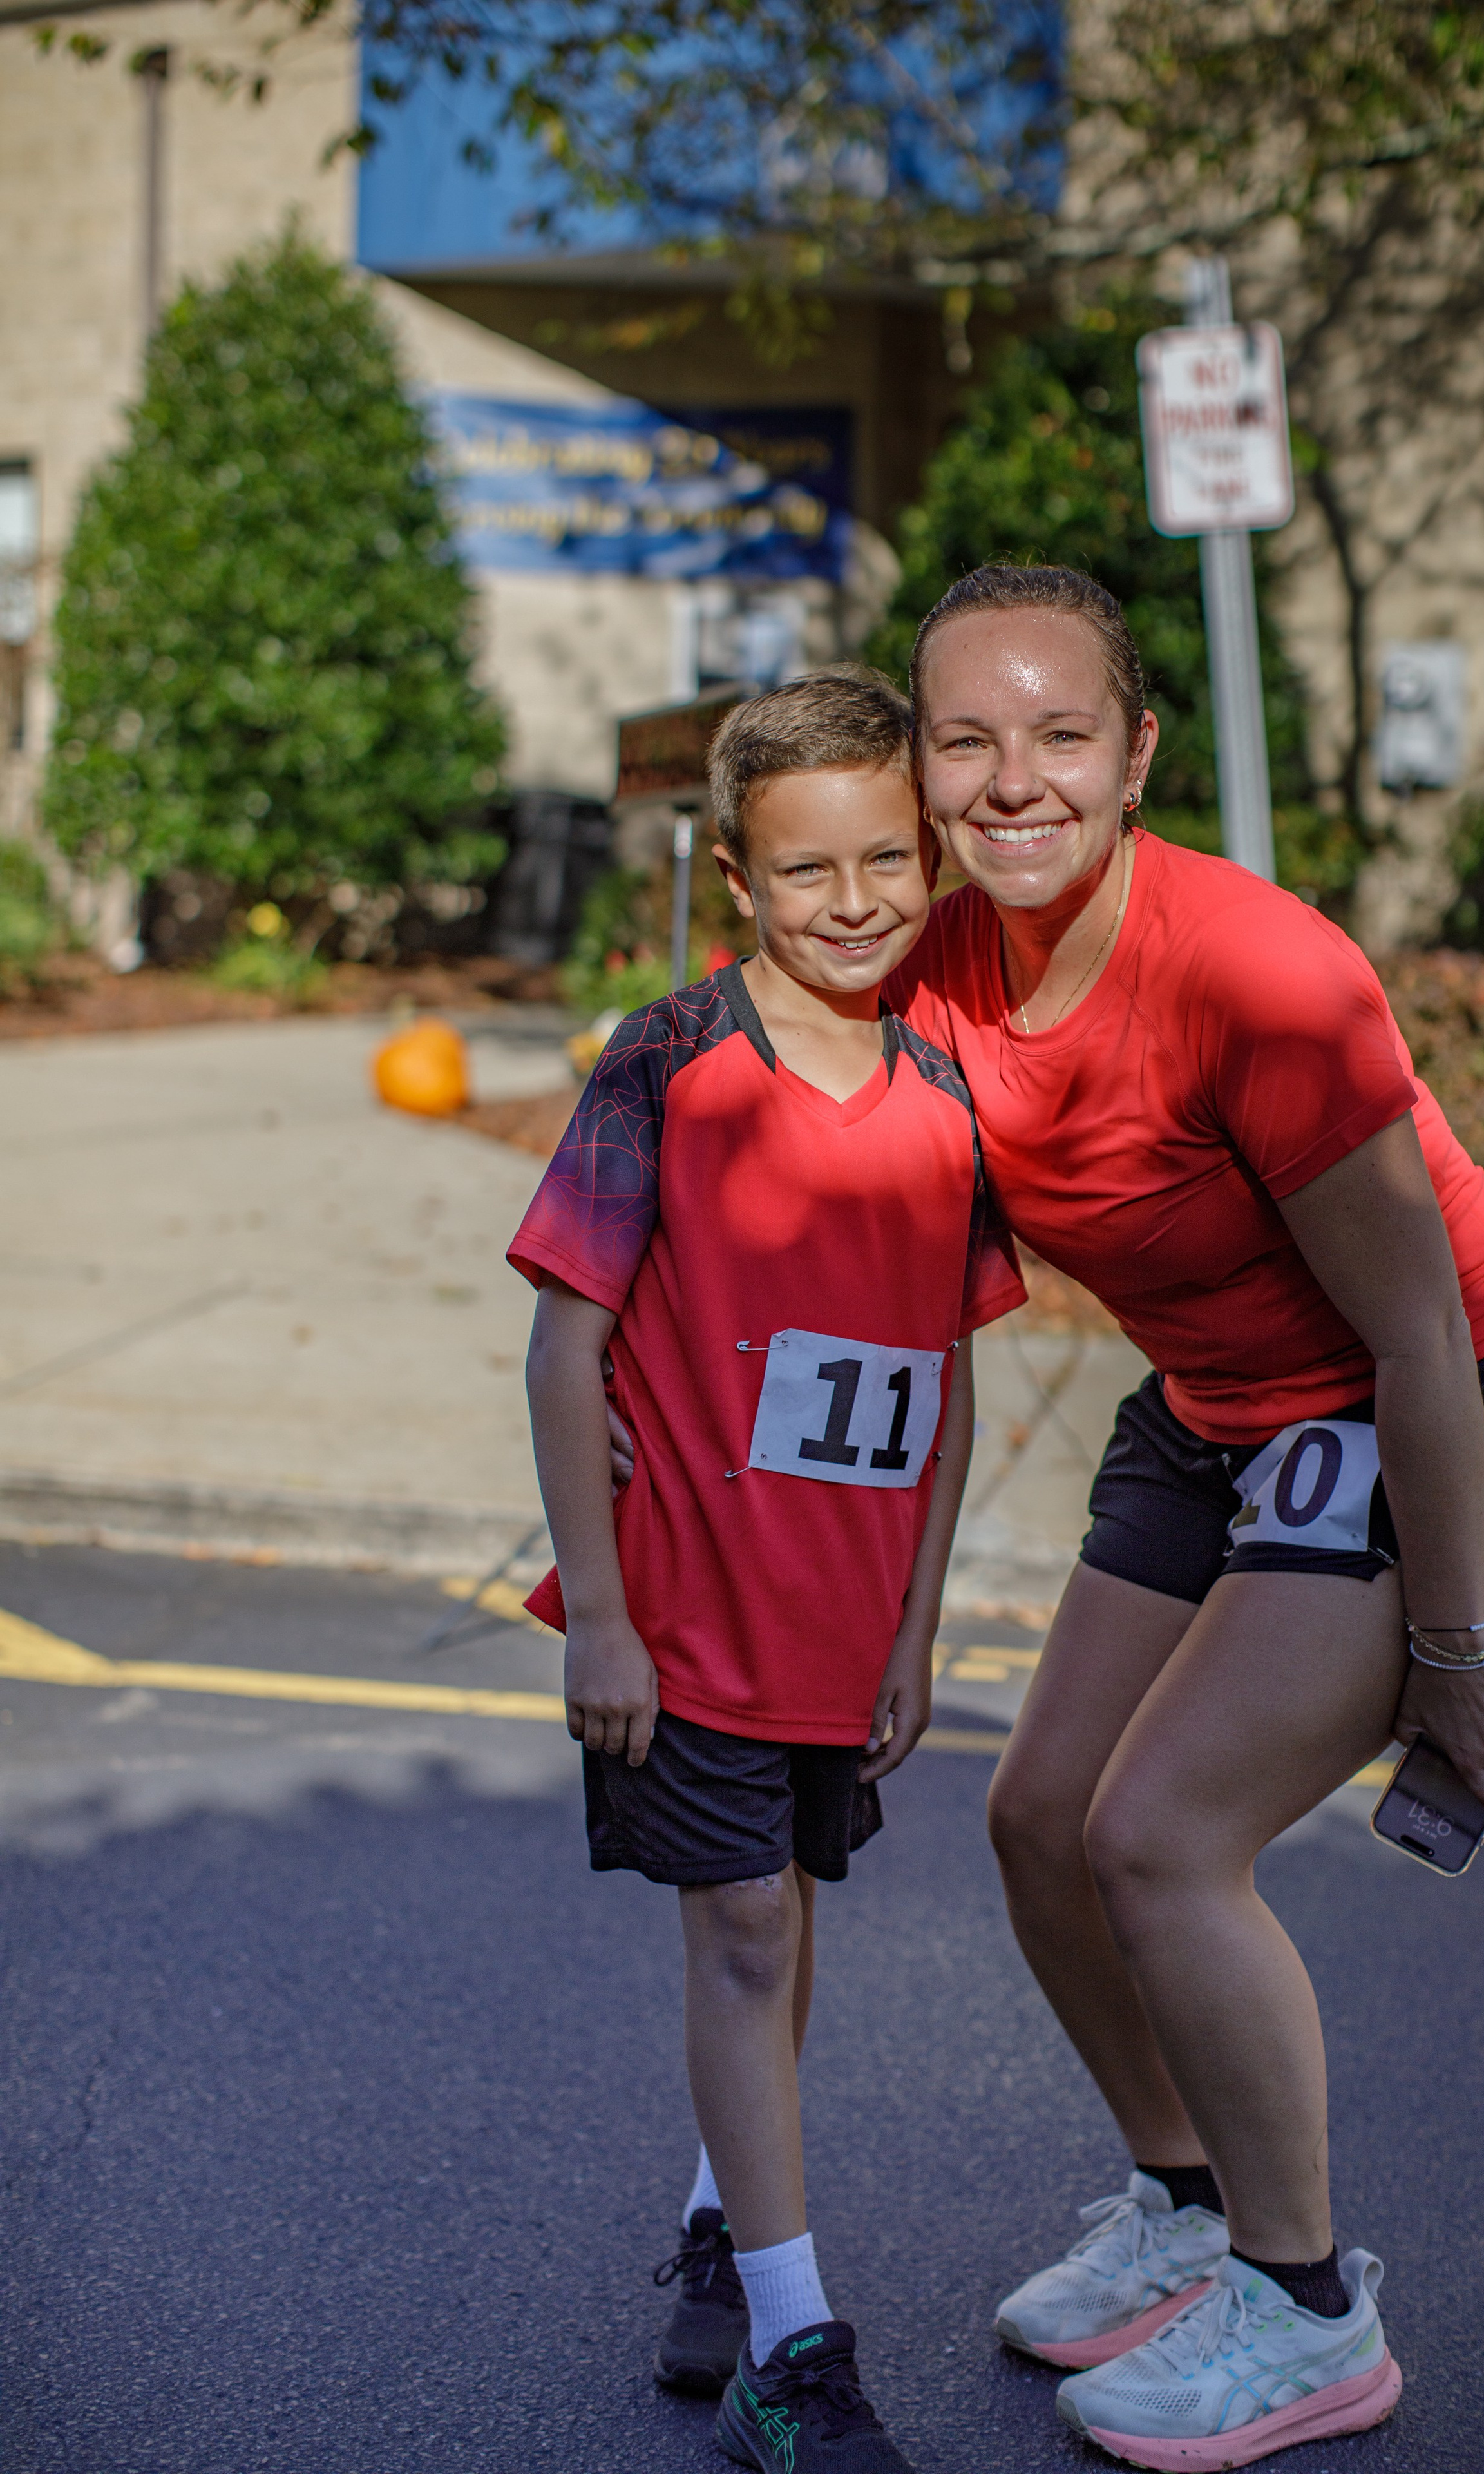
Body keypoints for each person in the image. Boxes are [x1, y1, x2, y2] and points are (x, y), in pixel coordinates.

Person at [880, 564, 1484, 2468]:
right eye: (967, 741)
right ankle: (1184, 2209)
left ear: (1138, 753)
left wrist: (1450, 1639)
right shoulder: (938, 972)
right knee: (1036, 1822)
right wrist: (896, 1626)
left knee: (1162, 1836)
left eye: (1062, 737)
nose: (1015, 782)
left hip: (1410, 1394)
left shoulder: (1257, 972)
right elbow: (917, 1324)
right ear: (922, 766)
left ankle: (1310, 2307)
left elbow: (1424, 1326)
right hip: (1211, 1408)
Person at [508, 667, 1025, 2474]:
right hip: (687, 1607)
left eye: (891, 858)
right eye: (812, 871)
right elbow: (568, 1345)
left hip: (841, 1615)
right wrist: (605, 1610)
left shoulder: (955, 1090)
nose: (859, 898)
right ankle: (798, 2355)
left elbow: (944, 1381)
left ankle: (735, 2218)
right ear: (739, 875)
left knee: (783, 1923)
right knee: (737, 1924)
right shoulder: (668, 1061)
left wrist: (918, 1623)